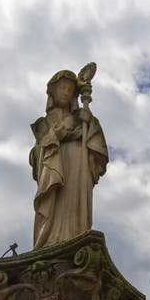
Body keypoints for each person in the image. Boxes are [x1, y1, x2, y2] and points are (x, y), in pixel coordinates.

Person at [30, 69, 108, 250]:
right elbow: (35, 156)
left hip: (77, 166)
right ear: (52, 92)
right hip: (54, 167)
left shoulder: (83, 119)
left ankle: (76, 238)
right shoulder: (44, 123)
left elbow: (98, 152)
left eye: (69, 90)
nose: (65, 93)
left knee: (74, 205)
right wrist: (53, 136)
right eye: (62, 88)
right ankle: (48, 242)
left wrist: (90, 123)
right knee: (52, 207)